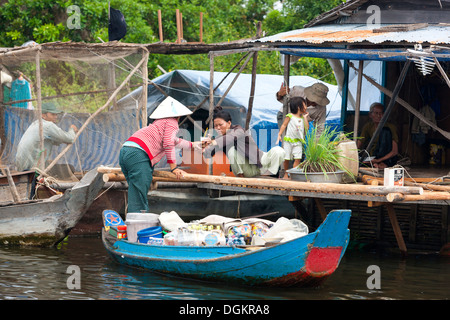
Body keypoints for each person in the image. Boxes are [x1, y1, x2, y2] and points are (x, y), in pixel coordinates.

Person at [119, 96, 202, 213]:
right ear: (178, 115)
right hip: (138, 154)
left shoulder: (160, 123)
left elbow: (173, 141)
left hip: (125, 151)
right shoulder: (172, 122)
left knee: (136, 193)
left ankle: (133, 224)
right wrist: (174, 168)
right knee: (139, 198)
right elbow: (168, 144)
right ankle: (140, 227)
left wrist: (193, 145)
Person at [203, 107, 285, 178]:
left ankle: (267, 175)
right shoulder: (219, 139)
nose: (218, 128)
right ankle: (241, 178)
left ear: (229, 123)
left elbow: (230, 138)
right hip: (247, 169)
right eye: (216, 126)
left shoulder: (238, 130)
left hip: (260, 163)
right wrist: (204, 147)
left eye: (220, 125)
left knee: (279, 151)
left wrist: (213, 142)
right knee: (232, 151)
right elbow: (207, 153)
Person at [15, 102, 78, 171]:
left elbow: (55, 139)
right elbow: (70, 139)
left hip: (22, 166)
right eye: (53, 114)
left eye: (56, 114)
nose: (56, 117)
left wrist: (63, 140)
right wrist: (72, 129)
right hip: (32, 168)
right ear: (43, 115)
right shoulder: (48, 125)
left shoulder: (36, 123)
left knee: (62, 167)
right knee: (69, 169)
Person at [357, 102, 399, 169]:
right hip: (373, 156)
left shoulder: (390, 127)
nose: (379, 116)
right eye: (376, 113)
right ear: (370, 115)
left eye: (381, 113)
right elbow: (359, 143)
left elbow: (394, 151)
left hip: (387, 158)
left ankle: (382, 164)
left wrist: (379, 160)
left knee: (385, 131)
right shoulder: (368, 126)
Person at [277, 96, 309, 179]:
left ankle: (293, 175)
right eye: (304, 105)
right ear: (299, 107)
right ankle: (285, 174)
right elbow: (284, 125)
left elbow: (307, 128)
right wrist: (279, 134)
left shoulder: (302, 118)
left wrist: (305, 118)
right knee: (286, 158)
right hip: (289, 141)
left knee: (297, 159)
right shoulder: (290, 116)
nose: (306, 107)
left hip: (298, 141)